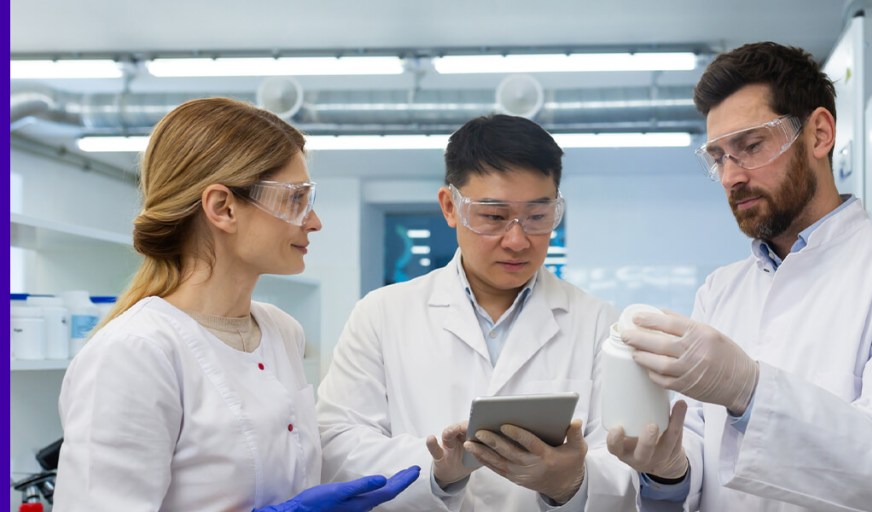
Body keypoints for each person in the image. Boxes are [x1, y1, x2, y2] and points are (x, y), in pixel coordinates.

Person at [606, 42, 872, 511]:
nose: (730, 177)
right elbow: (696, 443)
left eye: (750, 146)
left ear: (819, 134)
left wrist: (748, 390)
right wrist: (668, 472)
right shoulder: (720, 290)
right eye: (718, 157)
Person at [53, 97, 419, 511]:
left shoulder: (280, 330)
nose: (314, 222)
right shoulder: (134, 352)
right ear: (223, 208)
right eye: (296, 199)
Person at [317, 114, 637, 510]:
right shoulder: (381, 314)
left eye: (538, 217)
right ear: (451, 207)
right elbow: (336, 445)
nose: (518, 240)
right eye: (494, 217)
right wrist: (436, 468)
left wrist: (571, 482)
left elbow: (628, 461)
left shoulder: (598, 323)